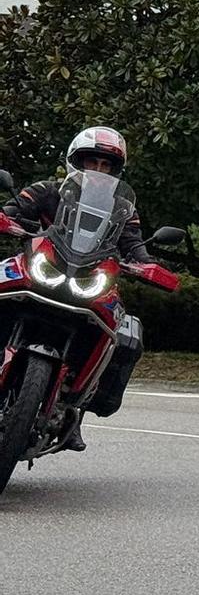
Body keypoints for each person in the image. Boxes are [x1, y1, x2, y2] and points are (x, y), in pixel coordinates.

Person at [4, 128, 154, 450]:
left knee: (119, 330)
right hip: (41, 266)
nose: (98, 170)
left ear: (116, 172)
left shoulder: (123, 210)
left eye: (106, 165)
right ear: (76, 161)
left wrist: (147, 266)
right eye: (92, 161)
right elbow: (12, 212)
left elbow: (135, 248)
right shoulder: (48, 191)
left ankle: (76, 409)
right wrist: (7, 220)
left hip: (90, 278)